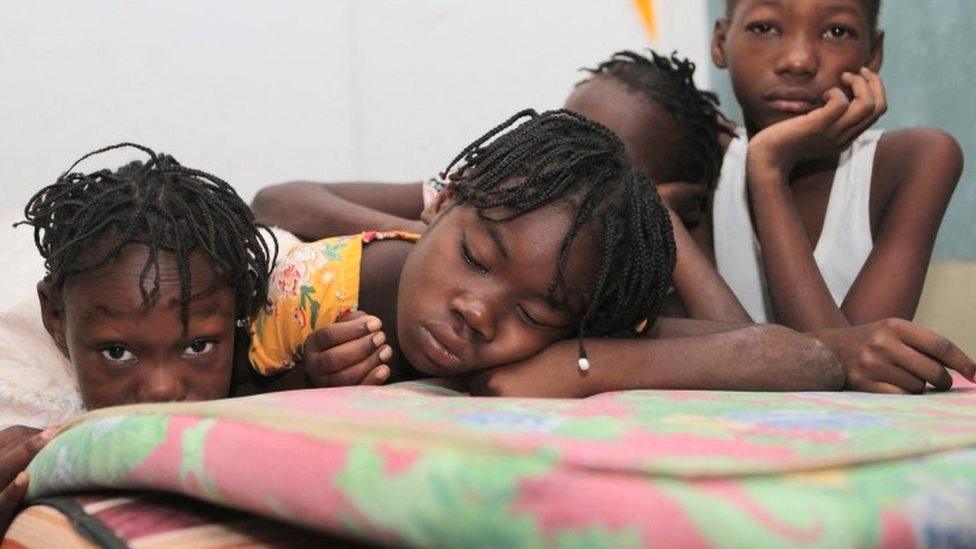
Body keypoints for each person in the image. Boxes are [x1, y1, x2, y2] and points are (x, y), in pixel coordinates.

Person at [247, 109, 844, 395]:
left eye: (534, 313)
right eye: (476, 258)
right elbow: (191, 384)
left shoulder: (563, 320)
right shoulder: (313, 285)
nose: (479, 312)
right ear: (441, 203)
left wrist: (576, 366)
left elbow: (795, 357)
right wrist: (306, 378)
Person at [0, 143, 276, 533]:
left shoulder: (276, 367)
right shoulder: (21, 404)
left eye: (198, 346)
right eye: (117, 352)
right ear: (55, 317)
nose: (162, 390)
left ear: (239, 312)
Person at [708, 0, 967, 393]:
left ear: (873, 53)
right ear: (721, 42)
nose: (798, 61)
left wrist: (768, 169)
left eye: (836, 31)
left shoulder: (918, 160)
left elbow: (842, 375)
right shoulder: (698, 157)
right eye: (764, 28)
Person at [250, 49, 732, 238]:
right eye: (560, 131)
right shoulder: (484, 192)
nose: (563, 160)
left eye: (599, 157)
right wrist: (435, 237)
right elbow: (278, 203)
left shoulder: (639, 270)